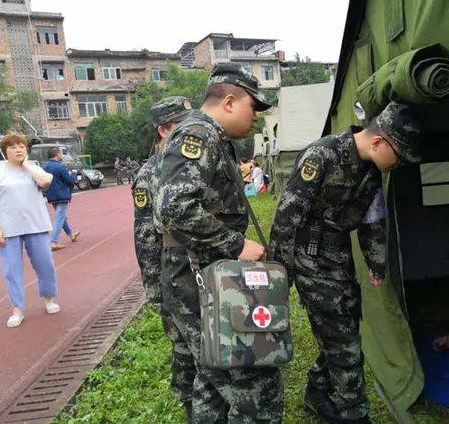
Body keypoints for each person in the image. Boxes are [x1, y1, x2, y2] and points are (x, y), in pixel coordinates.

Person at [269, 102, 422, 423]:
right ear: (379, 142)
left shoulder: (371, 172)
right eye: (400, 156)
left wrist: (377, 264)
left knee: (346, 324)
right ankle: (355, 413)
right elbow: (287, 216)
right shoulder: (322, 156)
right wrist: (278, 275)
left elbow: (372, 221)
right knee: (344, 341)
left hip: (338, 257)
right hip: (307, 255)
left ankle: (316, 392)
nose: (400, 164)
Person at [153, 62, 282, 423]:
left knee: (213, 380)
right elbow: (174, 207)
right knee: (256, 385)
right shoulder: (198, 136)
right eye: (252, 107)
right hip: (198, 279)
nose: (255, 116)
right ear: (228, 101)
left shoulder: (215, 138)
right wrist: (236, 245)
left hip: (203, 277)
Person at [132, 96, 196, 420]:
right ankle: (190, 402)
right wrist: (155, 291)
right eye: (180, 126)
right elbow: (145, 237)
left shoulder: (194, 161)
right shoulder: (149, 173)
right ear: (162, 130)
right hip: (175, 269)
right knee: (184, 345)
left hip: (205, 266)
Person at [0, 133, 59, 328]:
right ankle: (17, 308)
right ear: (5, 151)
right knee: (12, 270)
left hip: (36, 225)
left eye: (21, 146)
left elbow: (46, 182)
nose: (18, 150)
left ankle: (49, 298)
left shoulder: (33, 169)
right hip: (9, 230)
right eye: (13, 147)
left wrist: (25, 165)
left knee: (45, 265)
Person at [43, 147, 79, 251]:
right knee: (60, 217)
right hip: (62, 195)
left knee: (62, 216)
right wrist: (74, 173)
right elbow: (70, 180)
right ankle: (53, 241)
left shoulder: (44, 167)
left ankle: (71, 234)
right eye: (60, 154)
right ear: (57, 155)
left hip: (51, 195)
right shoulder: (60, 166)